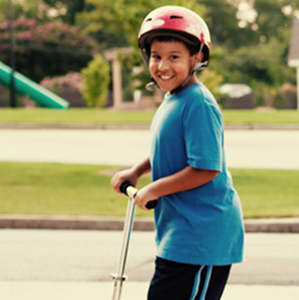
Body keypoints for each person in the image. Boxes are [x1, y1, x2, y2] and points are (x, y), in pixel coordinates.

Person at [110, 5, 244, 300]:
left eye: (174, 57)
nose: (162, 66)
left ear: (197, 58)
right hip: (180, 233)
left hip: (202, 235)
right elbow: (169, 148)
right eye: (156, 57)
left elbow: (207, 168)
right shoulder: (174, 98)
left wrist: (154, 189)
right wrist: (137, 171)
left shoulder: (199, 104)